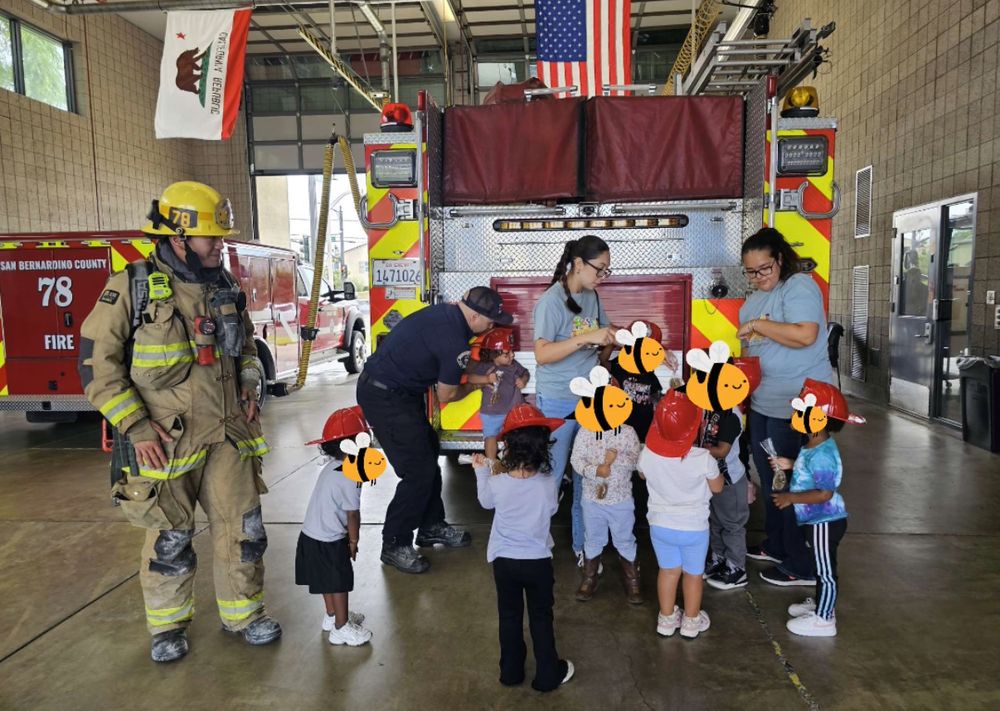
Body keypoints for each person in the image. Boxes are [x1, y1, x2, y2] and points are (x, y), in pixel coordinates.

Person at [78, 181, 280, 663]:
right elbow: (96, 365)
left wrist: (251, 382)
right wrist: (136, 427)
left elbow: (248, 348)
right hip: (165, 443)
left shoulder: (225, 285)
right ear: (178, 238)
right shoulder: (133, 285)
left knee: (244, 530)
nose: (220, 245)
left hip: (229, 437)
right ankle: (168, 627)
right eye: (211, 237)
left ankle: (244, 615)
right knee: (170, 539)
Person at [358, 286, 512, 574]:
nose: (492, 327)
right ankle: (394, 543)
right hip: (384, 396)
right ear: (475, 315)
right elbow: (447, 395)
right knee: (417, 471)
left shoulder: (449, 316)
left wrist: (479, 373)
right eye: (491, 321)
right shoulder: (454, 340)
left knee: (429, 455)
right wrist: (480, 382)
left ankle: (430, 526)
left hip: (401, 393)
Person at [737, 227, 833, 587]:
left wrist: (759, 325)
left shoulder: (798, 286)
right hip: (765, 401)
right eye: (750, 271)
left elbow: (806, 333)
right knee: (772, 478)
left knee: (795, 481)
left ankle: (802, 564)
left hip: (797, 404)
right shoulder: (754, 299)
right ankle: (777, 544)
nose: (758, 277)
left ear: (779, 260)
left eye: (764, 268)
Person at [471, 404, 575, 692]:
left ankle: (511, 672)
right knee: (541, 617)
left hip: (504, 561)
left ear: (508, 447)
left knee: (509, 615)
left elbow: (485, 503)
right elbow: (552, 509)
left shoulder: (499, 482)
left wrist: (481, 471)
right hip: (538, 562)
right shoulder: (545, 484)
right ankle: (547, 675)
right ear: (542, 448)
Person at [532, 235, 617, 566]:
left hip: (590, 400)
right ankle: (537, 540)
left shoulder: (593, 296)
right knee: (550, 477)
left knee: (587, 474)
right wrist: (588, 337)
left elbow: (602, 334)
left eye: (607, 271)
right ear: (579, 264)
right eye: (600, 269)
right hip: (557, 401)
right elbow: (542, 354)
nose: (602, 276)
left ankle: (584, 544)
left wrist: (616, 343)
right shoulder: (551, 302)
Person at [770, 379, 864, 637]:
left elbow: (824, 493)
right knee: (820, 566)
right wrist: (790, 464)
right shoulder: (812, 445)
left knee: (825, 572)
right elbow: (809, 472)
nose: (795, 415)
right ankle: (822, 604)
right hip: (816, 522)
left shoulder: (823, 453)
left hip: (824, 521)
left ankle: (824, 619)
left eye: (801, 412)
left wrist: (790, 498)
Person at [637, 390, 724, 640]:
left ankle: (666, 620)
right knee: (693, 574)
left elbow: (643, 474)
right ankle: (691, 621)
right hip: (694, 527)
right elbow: (717, 488)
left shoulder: (648, 454)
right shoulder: (702, 458)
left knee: (668, 571)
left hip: (660, 525)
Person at [296, 406, 373, 646]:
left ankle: (332, 617)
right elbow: (352, 515)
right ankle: (341, 627)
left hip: (309, 536)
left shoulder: (331, 467)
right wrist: (353, 542)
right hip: (329, 540)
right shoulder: (352, 473)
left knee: (326, 580)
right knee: (338, 582)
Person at [570, 420, 643, 603]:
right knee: (593, 538)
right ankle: (590, 577)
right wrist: (595, 470)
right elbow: (576, 459)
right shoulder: (586, 431)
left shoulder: (628, 431)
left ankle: (632, 580)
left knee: (625, 539)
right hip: (592, 498)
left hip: (621, 499)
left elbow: (636, 459)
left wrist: (614, 459)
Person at [700, 403, 749, 590]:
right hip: (711, 478)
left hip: (730, 481)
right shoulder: (706, 407)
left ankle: (737, 568)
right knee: (715, 521)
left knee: (732, 525)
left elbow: (722, 451)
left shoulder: (731, 415)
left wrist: (690, 450)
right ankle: (719, 559)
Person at [465, 327, 530, 459]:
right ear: (493, 355)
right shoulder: (485, 366)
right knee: (490, 436)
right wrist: (486, 379)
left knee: (515, 438)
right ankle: (491, 463)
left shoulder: (513, 365)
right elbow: (471, 377)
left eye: (512, 351)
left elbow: (526, 373)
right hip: (491, 412)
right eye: (506, 354)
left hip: (513, 411)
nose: (512, 355)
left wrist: (523, 380)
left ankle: (511, 462)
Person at [607, 319, 666, 441]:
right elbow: (603, 361)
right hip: (621, 429)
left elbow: (656, 396)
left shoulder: (649, 371)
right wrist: (612, 342)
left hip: (643, 430)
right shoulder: (618, 364)